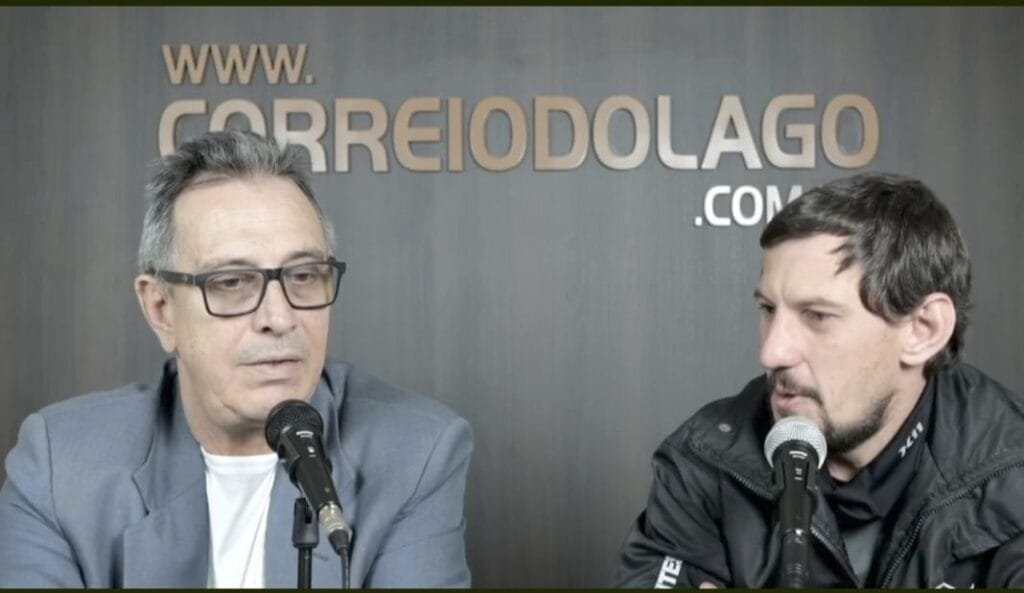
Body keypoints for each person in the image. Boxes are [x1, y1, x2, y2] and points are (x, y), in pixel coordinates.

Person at [0, 130, 473, 588]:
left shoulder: (415, 454)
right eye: (231, 282)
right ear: (161, 309)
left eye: (304, 275)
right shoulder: (61, 467)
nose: (279, 318)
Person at [614, 173, 1024, 588]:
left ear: (923, 329)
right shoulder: (704, 462)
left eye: (817, 316)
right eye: (768, 309)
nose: (772, 353)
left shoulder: (1012, 476)